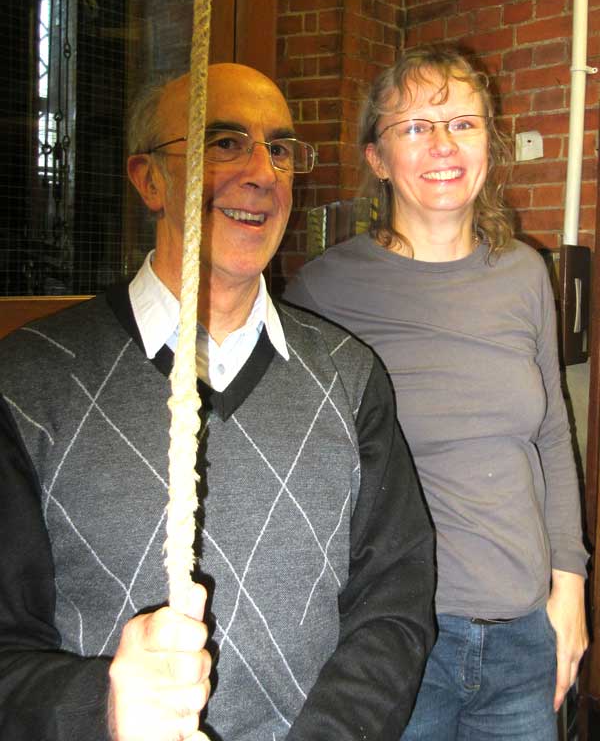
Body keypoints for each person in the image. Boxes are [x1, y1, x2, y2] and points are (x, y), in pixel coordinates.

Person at [0, 63, 436, 741]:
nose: (263, 173)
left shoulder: (351, 377)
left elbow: (396, 607)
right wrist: (103, 707)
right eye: (224, 142)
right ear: (149, 178)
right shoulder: (28, 382)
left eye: (281, 149)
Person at [284, 46, 589, 740]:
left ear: (489, 142)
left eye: (463, 123)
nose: (444, 144)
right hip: (398, 641)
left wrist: (569, 587)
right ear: (377, 158)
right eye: (417, 127)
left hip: (523, 634)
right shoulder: (326, 291)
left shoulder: (524, 273)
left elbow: (550, 438)